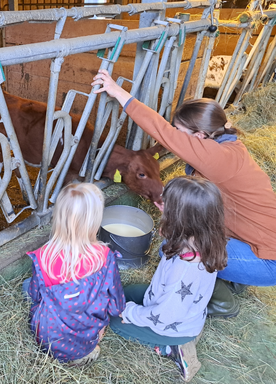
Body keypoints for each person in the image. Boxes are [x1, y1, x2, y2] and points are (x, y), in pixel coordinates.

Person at [92, 69, 276, 317]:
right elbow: (209, 209)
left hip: (267, 259)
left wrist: (118, 92)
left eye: (182, 133)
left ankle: (221, 302)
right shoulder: (225, 146)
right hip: (254, 239)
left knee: (175, 248)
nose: (178, 138)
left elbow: (163, 134)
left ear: (200, 136)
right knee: (185, 240)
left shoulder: (218, 157)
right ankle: (233, 275)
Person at [109, 176, 228, 382]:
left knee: (115, 321)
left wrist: (130, 313)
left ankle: (172, 347)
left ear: (181, 220)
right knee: (128, 290)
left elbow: (164, 316)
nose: (163, 208)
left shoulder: (185, 270)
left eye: (168, 207)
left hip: (172, 325)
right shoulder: (203, 240)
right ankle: (182, 333)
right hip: (180, 308)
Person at [25, 182, 125, 366]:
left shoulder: (43, 257)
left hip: (46, 339)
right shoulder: (104, 258)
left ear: (59, 217)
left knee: (28, 286)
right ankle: (86, 353)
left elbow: (34, 294)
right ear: (94, 221)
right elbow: (116, 306)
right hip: (85, 342)